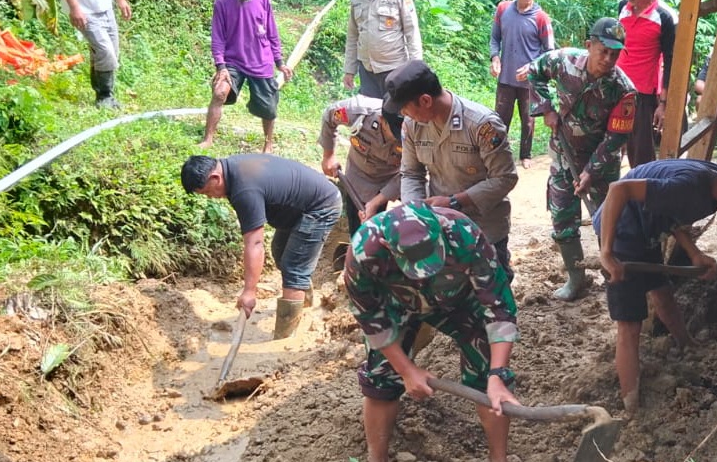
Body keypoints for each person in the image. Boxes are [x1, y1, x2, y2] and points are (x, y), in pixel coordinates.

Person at [345, 202, 534, 462]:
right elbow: (371, 320)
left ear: (439, 232)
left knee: (489, 374)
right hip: (396, 305)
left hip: (458, 298)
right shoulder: (364, 251)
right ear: (388, 246)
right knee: (382, 376)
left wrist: (497, 374)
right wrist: (406, 370)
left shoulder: (463, 233)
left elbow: (498, 306)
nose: (423, 274)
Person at [595, 154, 717, 414]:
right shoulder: (691, 187)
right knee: (629, 325)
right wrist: (607, 252)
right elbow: (619, 189)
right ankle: (632, 408)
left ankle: (686, 343)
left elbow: (672, 212)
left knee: (663, 291)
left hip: (646, 227)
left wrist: (694, 253)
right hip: (622, 234)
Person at [519, 17, 637, 301]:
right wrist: (546, 109)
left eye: (615, 53)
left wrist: (591, 172)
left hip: (602, 162)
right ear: (589, 46)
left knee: (606, 219)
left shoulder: (623, 88)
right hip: (563, 155)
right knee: (562, 217)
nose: (608, 59)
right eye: (603, 51)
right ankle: (576, 278)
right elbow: (533, 72)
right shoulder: (564, 61)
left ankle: (613, 277)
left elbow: (616, 137)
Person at [181, 153, 342, 339]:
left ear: (215, 178)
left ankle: (285, 339)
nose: (212, 197)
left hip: (321, 207)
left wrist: (249, 291)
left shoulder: (244, 189)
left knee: (293, 269)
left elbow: (255, 242)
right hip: (299, 208)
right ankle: (304, 303)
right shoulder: (232, 168)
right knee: (281, 252)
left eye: (208, 192)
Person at [388, 60, 519, 265]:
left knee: (492, 290)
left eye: (405, 108)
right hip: (440, 226)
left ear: (425, 101)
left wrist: (455, 202)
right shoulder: (413, 125)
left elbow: (505, 178)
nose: (403, 114)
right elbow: (411, 173)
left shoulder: (481, 124)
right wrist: (415, 211)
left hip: (484, 228)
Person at [199, 0, 290, 154]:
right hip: (233, 61)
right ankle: (208, 138)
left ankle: (268, 144)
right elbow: (217, 37)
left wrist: (279, 62)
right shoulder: (222, 2)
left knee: (269, 106)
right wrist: (220, 66)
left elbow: (272, 31)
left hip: (261, 60)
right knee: (219, 92)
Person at [489, 0, 555, 167]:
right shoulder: (503, 10)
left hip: (529, 81)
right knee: (500, 119)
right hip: (506, 79)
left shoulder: (542, 18)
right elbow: (494, 38)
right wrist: (495, 58)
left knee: (528, 121)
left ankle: (525, 156)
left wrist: (532, 67)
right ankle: (497, 156)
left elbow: (549, 51)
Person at [617, 0, 677, 167]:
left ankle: (644, 195)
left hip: (643, 92)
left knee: (641, 152)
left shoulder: (665, 17)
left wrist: (664, 103)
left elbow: (671, 60)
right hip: (616, 85)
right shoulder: (621, 8)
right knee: (611, 143)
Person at [319, 92, 404, 236]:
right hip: (360, 175)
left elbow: (411, 172)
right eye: (396, 133)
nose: (400, 139)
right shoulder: (359, 111)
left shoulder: (418, 129)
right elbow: (329, 115)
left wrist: (377, 201)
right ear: (382, 119)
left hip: (394, 177)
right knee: (360, 229)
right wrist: (329, 156)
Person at [345, 0, 421, 99]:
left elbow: (412, 31)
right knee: (370, 114)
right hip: (367, 70)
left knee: (394, 114)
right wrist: (349, 70)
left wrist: (416, 69)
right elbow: (353, 35)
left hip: (394, 68)